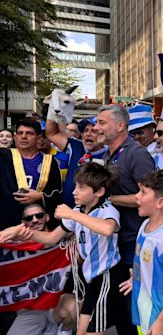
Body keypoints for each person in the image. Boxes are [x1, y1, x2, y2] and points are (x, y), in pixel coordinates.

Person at [17, 163, 120, 335]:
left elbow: (107, 229)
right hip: (91, 280)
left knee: (94, 331)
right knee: (81, 332)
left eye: (81, 188)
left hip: (106, 277)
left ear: (99, 192)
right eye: (75, 186)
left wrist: (72, 215)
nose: (74, 192)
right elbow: (51, 238)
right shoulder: (79, 209)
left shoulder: (106, 209)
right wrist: (22, 233)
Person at [94, 104, 155, 335]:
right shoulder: (110, 153)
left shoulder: (136, 154)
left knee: (133, 309)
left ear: (121, 126)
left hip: (134, 242)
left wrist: (110, 199)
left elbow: (148, 198)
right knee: (120, 308)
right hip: (116, 242)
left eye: (102, 123)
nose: (96, 127)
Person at [119, 170, 163, 335]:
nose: (136, 196)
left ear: (160, 202)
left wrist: (162, 321)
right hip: (144, 309)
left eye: (143, 192)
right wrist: (136, 277)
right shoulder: (145, 225)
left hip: (160, 321)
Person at [5, 204, 76, 335]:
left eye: (39, 215)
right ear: (22, 223)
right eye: (29, 218)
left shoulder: (62, 237)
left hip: (57, 304)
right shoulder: (13, 246)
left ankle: (60, 330)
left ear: (47, 217)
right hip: (29, 310)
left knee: (74, 307)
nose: (35, 220)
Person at [0, 119, 62, 230]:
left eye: (29, 133)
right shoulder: (3, 157)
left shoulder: (49, 162)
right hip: (7, 222)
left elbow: (58, 192)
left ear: (38, 138)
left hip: (38, 222)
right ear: (14, 137)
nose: (23, 137)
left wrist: (40, 196)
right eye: (20, 133)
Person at [45, 116, 107, 207]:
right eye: (85, 131)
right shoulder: (75, 146)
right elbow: (51, 133)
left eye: (94, 131)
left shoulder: (109, 154)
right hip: (67, 210)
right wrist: (54, 107)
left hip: (93, 214)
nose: (88, 134)